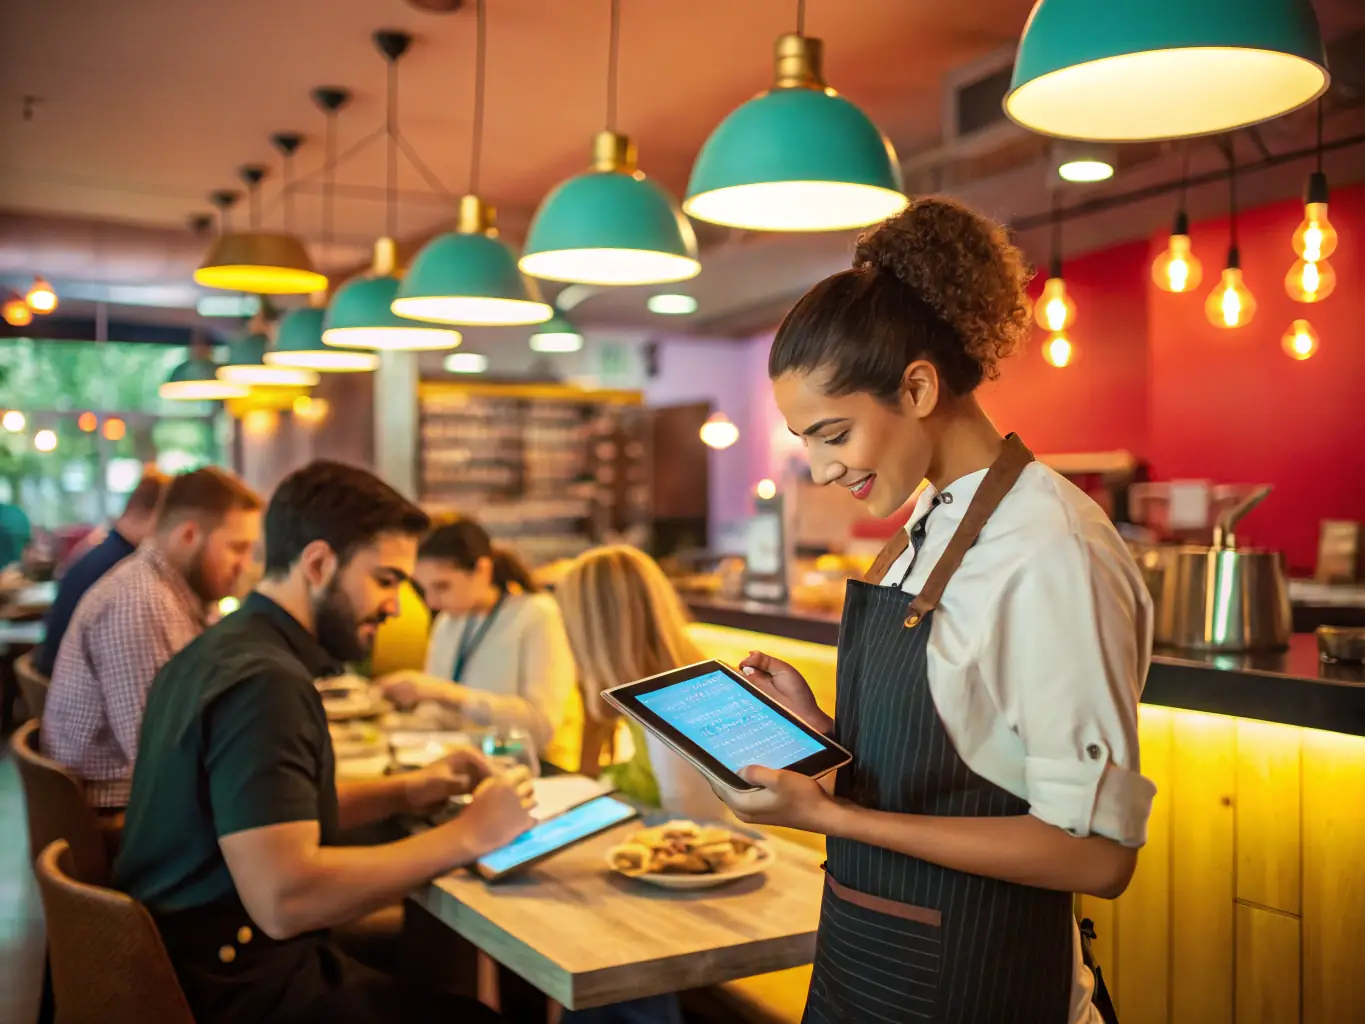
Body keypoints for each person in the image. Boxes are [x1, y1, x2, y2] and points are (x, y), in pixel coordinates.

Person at [712, 197, 1152, 1024]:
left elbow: (1094, 855)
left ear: (916, 387)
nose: (818, 468)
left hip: (983, 989)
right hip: (869, 971)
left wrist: (836, 816)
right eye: (807, 440)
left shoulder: (1052, 548)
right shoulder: (927, 524)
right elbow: (963, 761)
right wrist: (825, 735)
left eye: (833, 434)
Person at [113, 460, 532, 1024]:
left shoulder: (224, 649)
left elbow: (264, 814)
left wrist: (408, 791)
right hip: (236, 991)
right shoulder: (266, 682)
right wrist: (470, 834)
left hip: (181, 967)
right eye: (385, 580)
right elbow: (287, 899)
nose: (396, 606)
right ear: (317, 563)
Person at [42, 467, 261, 810]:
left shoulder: (181, 592)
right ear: (189, 535)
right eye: (237, 548)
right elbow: (163, 759)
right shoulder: (140, 603)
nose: (245, 565)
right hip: (121, 812)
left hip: (141, 799)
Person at [377, 517, 579, 769]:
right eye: (424, 589)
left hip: (530, 767)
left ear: (482, 570)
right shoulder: (449, 623)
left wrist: (445, 693)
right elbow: (437, 717)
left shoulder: (536, 614)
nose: (432, 602)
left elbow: (540, 727)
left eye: (442, 586)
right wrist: (385, 722)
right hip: (466, 764)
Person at [559, 545, 728, 823]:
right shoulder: (642, 688)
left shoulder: (674, 705)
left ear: (593, 631)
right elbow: (586, 776)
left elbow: (692, 824)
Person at [34, 468, 170, 677]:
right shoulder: (125, 571)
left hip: (51, 675)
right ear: (155, 515)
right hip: (68, 685)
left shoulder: (101, 553)